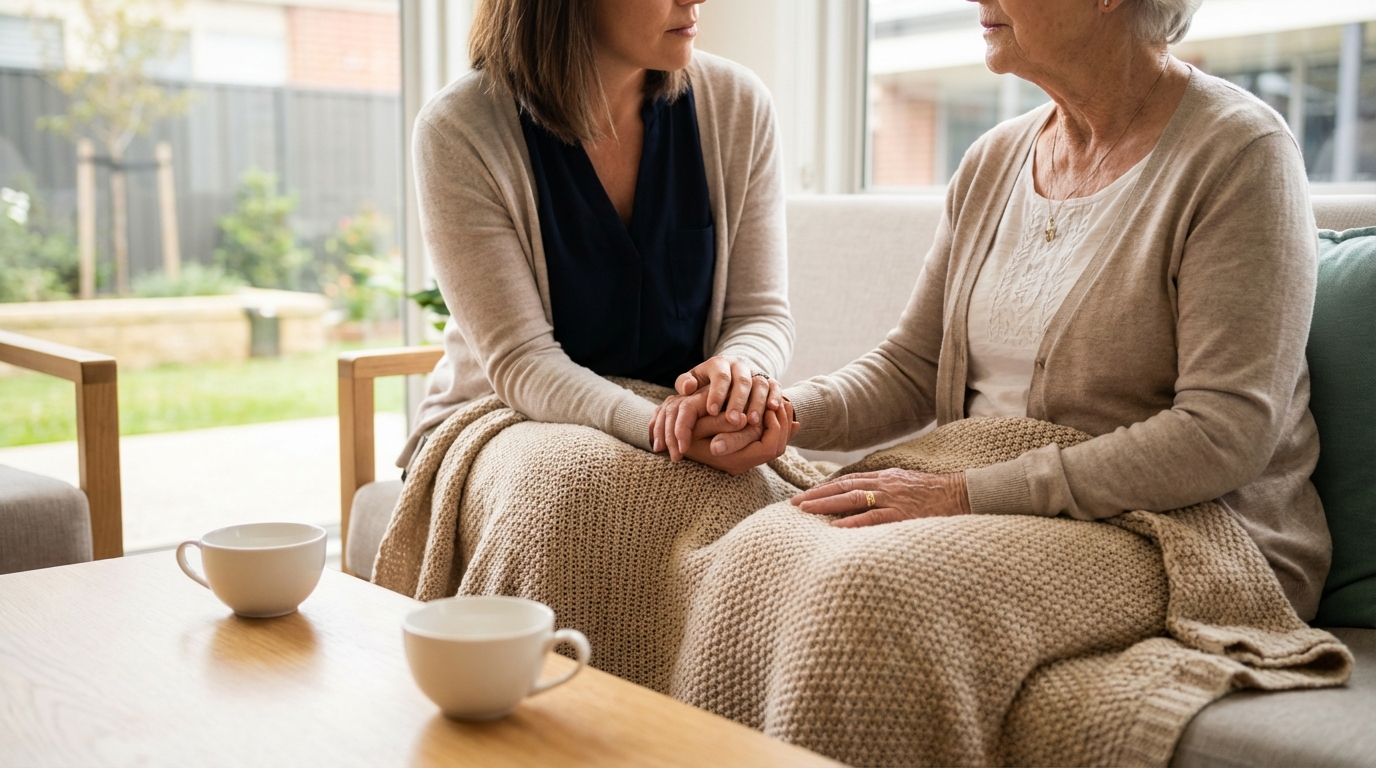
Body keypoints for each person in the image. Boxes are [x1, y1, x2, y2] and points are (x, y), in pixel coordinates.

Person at [659, 0, 1330, 619]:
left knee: (864, 587)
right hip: (996, 502)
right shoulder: (995, 158)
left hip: (1183, 529)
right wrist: (775, 413)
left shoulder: (1240, 154)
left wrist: (963, 494)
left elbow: (1223, 433)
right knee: (755, 554)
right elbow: (914, 366)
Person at [401, 0, 798, 476]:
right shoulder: (458, 129)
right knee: (579, 489)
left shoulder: (738, 105)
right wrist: (660, 427)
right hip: (501, 421)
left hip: (682, 427)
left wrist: (738, 378)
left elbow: (760, 314)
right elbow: (523, 362)